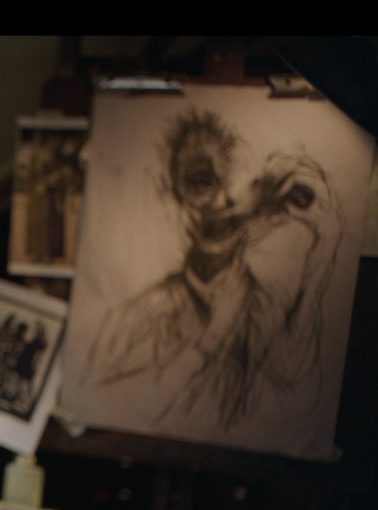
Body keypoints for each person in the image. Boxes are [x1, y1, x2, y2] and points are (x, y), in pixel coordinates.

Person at [82, 108, 343, 431]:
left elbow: (292, 374)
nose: (223, 204)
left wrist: (326, 248)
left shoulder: (258, 306)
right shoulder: (138, 316)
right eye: (202, 182)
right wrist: (215, 333)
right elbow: (97, 403)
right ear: (171, 192)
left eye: (245, 189)